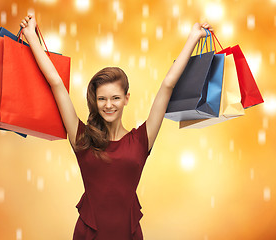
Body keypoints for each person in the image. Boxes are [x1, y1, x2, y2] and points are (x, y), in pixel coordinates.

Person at [20, 15, 212, 240]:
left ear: (126, 98)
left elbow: (168, 84)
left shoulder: (142, 139)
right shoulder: (81, 138)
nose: (108, 105)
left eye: (115, 98)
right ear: (95, 100)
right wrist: (31, 36)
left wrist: (193, 36)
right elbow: (56, 84)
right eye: (102, 99)